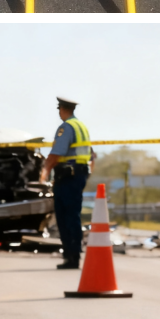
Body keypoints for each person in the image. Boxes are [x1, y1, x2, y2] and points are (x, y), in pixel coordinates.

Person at [40, 97, 94, 269]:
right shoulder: (82, 127)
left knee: (65, 216)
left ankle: (70, 256)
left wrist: (44, 172)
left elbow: (57, 153)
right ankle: (74, 254)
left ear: (62, 109)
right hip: (78, 174)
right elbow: (92, 155)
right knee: (74, 215)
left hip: (69, 177)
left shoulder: (66, 127)